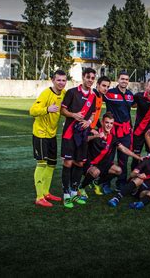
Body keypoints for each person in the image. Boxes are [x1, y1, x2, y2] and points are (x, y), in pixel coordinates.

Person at [78, 112, 142, 201]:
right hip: (89, 164)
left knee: (118, 170)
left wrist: (138, 157)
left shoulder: (112, 137)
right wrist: (96, 136)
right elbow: (83, 139)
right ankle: (81, 188)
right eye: (107, 122)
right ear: (103, 122)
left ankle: (96, 182)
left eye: (111, 123)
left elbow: (123, 149)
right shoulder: (95, 131)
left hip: (102, 165)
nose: (109, 125)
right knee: (96, 172)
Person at [30, 70, 67, 207]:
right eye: (59, 80)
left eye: (64, 80)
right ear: (53, 80)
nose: (61, 83)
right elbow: (32, 110)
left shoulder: (63, 93)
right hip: (40, 134)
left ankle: (46, 192)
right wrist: (47, 109)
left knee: (51, 164)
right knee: (42, 164)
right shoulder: (46, 93)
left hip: (52, 134)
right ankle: (39, 197)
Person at [60, 67, 97, 208]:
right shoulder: (71, 92)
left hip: (82, 135)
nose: (90, 80)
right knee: (68, 163)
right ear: (83, 77)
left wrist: (89, 122)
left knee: (80, 163)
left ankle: (74, 193)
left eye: (93, 78)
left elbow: (93, 114)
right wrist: (74, 115)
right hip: (69, 133)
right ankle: (66, 195)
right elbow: (63, 110)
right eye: (88, 77)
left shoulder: (93, 96)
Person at [108, 141, 150, 209]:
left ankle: (138, 204)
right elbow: (132, 174)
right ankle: (116, 198)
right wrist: (138, 175)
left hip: (145, 191)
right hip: (137, 187)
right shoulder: (146, 160)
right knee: (139, 179)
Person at [103, 71, 135, 192]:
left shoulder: (130, 95)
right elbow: (97, 94)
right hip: (112, 130)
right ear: (118, 79)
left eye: (126, 79)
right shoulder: (109, 93)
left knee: (124, 159)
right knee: (109, 157)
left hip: (125, 131)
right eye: (122, 79)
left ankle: (120, 183)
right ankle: (105, 183)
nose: (124, 81)